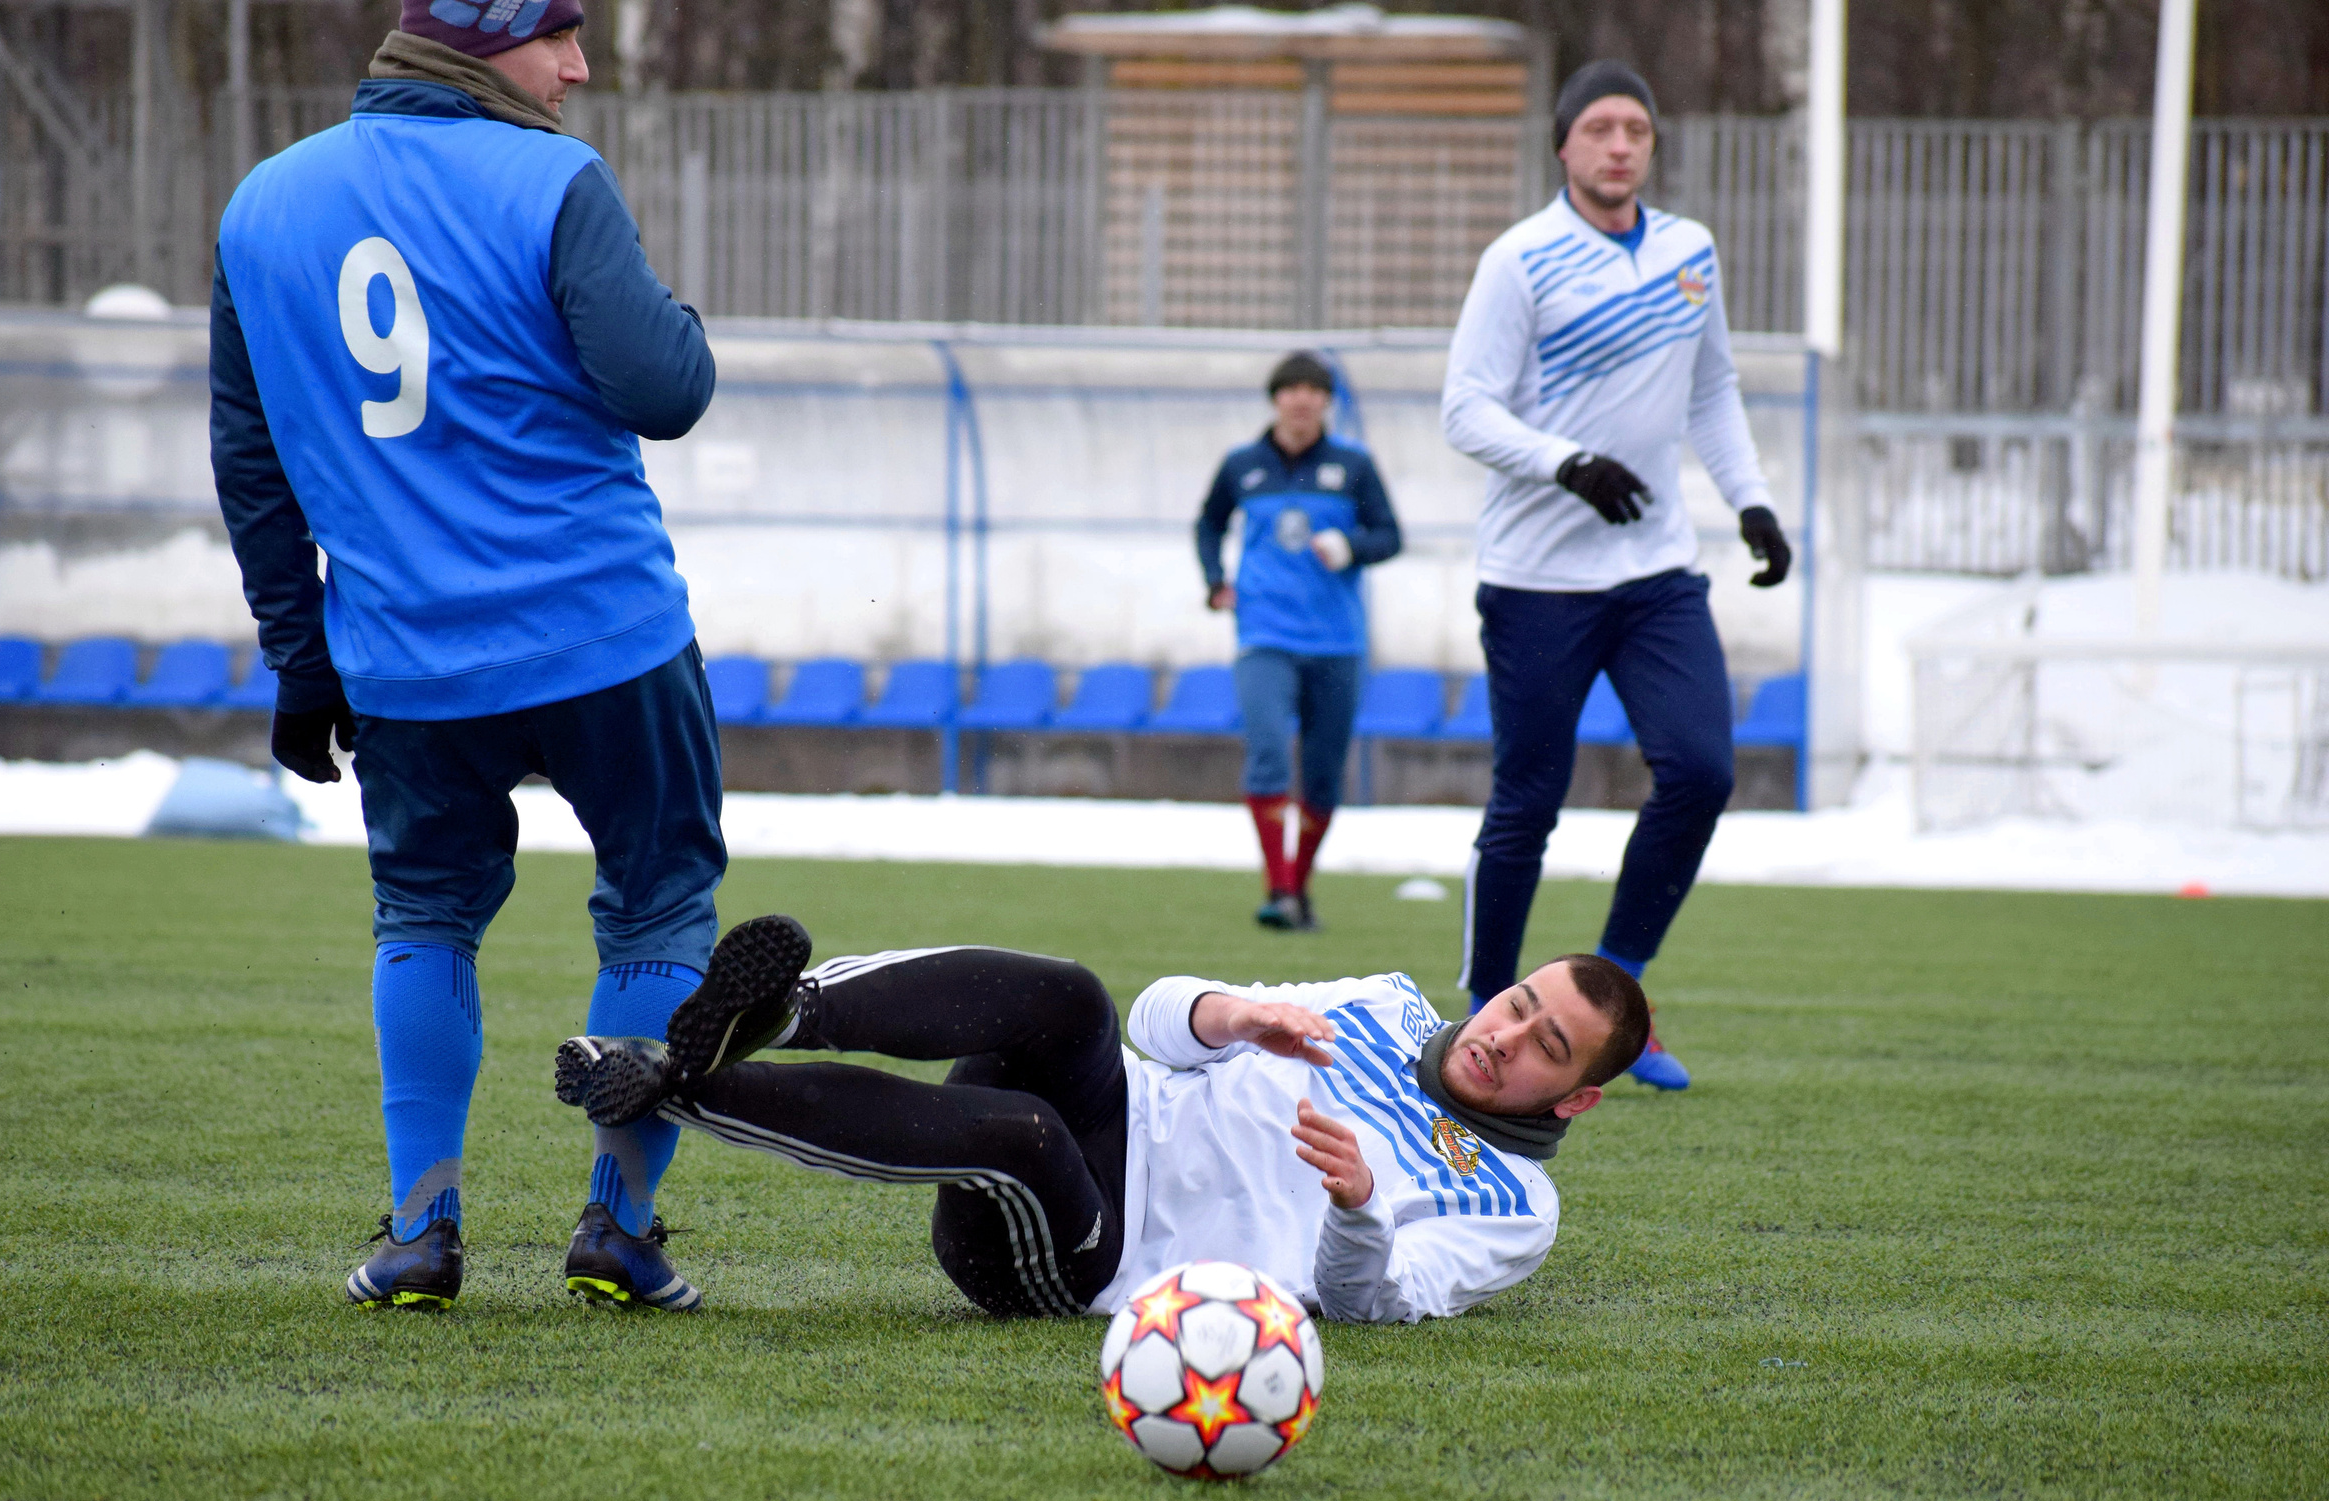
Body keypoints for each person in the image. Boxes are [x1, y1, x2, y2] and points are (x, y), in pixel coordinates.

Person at [211, 0, 722, 1313]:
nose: (578, 67)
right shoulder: (555, 176)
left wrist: (297, 653)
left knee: (424, 915)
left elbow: (251, 459)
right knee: (660, 897)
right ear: (487, 42)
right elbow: (664, 387)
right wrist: (684, 320)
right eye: (559, 36)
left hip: (404, 656)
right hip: (606, 629)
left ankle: (420, 1236)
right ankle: (618, 1227)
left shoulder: (263, 205)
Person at [555, 914, 1649, 1325]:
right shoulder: (1385, 1001)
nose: (1504, 1036)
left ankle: (671, 1081)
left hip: (1109, 1256)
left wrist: (1358, 1205)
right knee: (1071, 995)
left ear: (1578, 1096)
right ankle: (779, 1011)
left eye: (1545, 1046)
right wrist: (1229, 1013)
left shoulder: (1516, 1204)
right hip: (1126, 1105)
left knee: (1019, 1136)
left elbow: (1376, 1305)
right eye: (1517, 1003)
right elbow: (1154, 1016)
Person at [1441, 60, 1793, 1092]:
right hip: (1536, 580)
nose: (1619, 144)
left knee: (1702, 769)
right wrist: (1566, 462)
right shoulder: (1521, 259)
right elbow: (1465, 408)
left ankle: (1621, 1005)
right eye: (1598, 126)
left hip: (1654, 573)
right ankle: (1481, 1011)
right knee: (1529, 801)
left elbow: (1713, 388)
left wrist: (1752, 500)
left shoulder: (1689, 251)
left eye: (1635, 127)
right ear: (1563, 144)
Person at [1195, 351, 1402, 933]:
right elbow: (1208, 523)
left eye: (1314, 390)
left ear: (1326, 402)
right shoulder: (1242, 466)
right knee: (1265, 750)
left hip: (1337, 642)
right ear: (1276, 399)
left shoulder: (1352, 466)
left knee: (1323, 771)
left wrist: (1352, 546)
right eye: (1292, 390)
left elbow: (1390, 536)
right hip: (1264, 634)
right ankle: (1278, 888)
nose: (1302, 400)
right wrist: (1216, 581)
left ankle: (1298, 887)